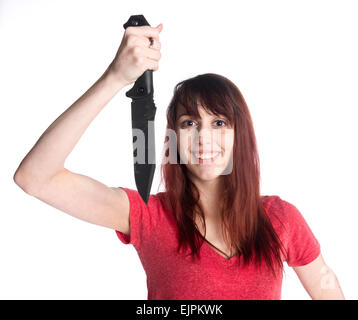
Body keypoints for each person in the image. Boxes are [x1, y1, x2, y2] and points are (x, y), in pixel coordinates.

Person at [13, 23, 344, 300]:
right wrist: (115, 78)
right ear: (173, 137)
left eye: (219, 123)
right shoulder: (148, 216)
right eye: (189, 123)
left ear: (239, 135)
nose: (204, 137)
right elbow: (35, 177)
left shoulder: (280, 219)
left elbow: (325, 282)